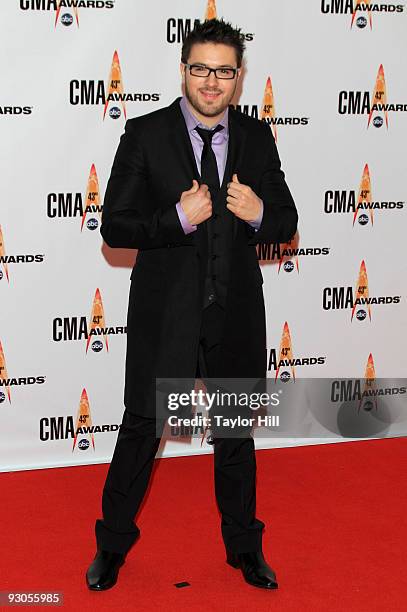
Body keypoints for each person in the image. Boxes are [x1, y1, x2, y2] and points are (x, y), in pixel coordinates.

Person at [86, 18, 297, 592]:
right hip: (165, 317)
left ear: (238, 78)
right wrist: (177, 219)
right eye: (200, 68)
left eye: (223, 71)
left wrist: (256, 212)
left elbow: (286, 220)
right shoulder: (144, 135)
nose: (211, 81)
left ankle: (245, 550)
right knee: (140, 433)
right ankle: (110, 547)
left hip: (232, 317)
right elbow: (115, 227)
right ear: (183, 70)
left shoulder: (257, 138)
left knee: (235, 439)